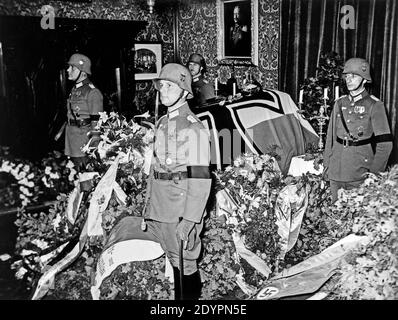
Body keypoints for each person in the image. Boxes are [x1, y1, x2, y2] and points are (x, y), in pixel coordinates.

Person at [104, 63, 212, 300]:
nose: (162, 90)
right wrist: (148, 206)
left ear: (184, 91)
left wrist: (191, 219)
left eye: (169, 85)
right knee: (174, 261)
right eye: (161, 85)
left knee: (185, 264)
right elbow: (156, 168)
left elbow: (201, 179)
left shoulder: (193, 128)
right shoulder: (163, 121)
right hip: (161, 206)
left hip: (179, 209)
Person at [323, 57, 392, 203]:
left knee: (355, 220)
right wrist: (327, 166)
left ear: (365, 80)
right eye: (347, 76)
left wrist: (373, 175)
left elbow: (385, 145)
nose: (349, 79)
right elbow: (330, 138)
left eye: (353, 76)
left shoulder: (374, 105)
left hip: (360, 172)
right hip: (336, 171)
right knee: (334, 218)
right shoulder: (339, 103)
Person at [65, 53, 103, 171]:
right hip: (72, 138)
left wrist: (93, 147)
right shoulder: (75, 89)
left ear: (83, 72)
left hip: (83, 141)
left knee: (85, 177)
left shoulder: (92, 92)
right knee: (75, 176)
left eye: (72, 67)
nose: (68, 70)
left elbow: (97, 123)